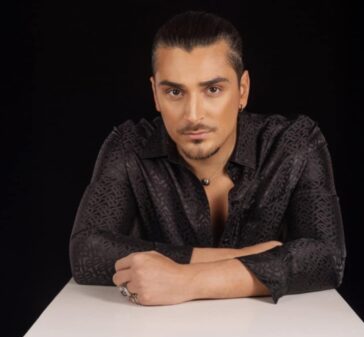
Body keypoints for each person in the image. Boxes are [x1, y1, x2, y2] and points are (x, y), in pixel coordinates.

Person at [68, 10, 346, 306]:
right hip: (155, 332)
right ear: (155, 94)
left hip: (274, 332)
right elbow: (87, 252)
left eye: (213, 90)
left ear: (242, 90)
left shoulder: (294, 143)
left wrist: (186, 280)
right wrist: (245, 259)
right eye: (175, 92)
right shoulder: (129, 145)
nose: (193, 115)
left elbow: (328, 257)